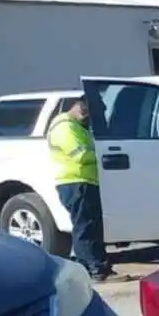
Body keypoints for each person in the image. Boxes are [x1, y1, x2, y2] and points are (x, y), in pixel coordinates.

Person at [46, 97, 112, 279]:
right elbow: (80, 155)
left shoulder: (77, 127)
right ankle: (95, 268)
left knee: (90, 225)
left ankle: (92, 266)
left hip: (83, 181)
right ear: (77, 105)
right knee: (85, 226)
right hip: (75, 182)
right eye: (86, 109)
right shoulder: (65, 127)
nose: (87, 115)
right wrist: (103, 154)